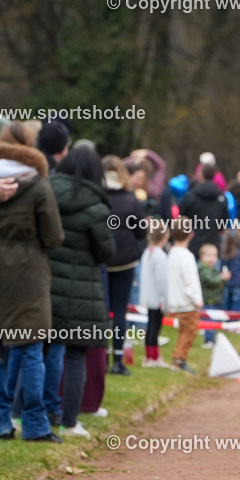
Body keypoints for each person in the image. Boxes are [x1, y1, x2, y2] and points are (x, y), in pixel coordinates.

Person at [0, 123, 64, 443]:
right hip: (30, 275)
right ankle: (35, 424)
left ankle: (0, 422)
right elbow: (53, 237)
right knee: (30, 350)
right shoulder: (38, 185)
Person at [46, 146, 116, 436]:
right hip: (82, 290)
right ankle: (69, 421)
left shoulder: (46, 195)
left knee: (39, 352)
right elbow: (107, 252)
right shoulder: (96, 208)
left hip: (46, 285)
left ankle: (28, 415)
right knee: (76, 357)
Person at [102, 156, 146, 376]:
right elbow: (141, 231)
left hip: (102, 260)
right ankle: (117, 359)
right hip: (125, 261)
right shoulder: (130, 200)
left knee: (102, 311)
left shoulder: (97, 198)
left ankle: (100, 357)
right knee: (120, 311)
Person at [166, 218, 202, 374]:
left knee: (183, 331)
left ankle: (178, 358)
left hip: (175, 300)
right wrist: (196, 299)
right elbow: (190, 281)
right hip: (187, 302)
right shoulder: (187, 256)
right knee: (189, 331)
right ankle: (179, 360)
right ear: (191, 234)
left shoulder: (171, 253)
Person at [139, 226, 170, 367]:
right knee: (155, 327)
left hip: (148, 295)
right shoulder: (160, 256)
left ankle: (150, 356)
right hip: (157, 298)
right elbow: (162, 280)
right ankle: (153, 357)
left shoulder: (147, 253)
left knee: (151, 325)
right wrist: (164, 298)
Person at [197, 243, 231, 348]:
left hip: (215, 300)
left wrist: (223, 279)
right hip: (209, 301)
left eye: (215, 255)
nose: (212, 258)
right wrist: (222, 278)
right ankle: (208, 341)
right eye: (209, 255)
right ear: (202, 256)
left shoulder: (212, 269)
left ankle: (211, 339)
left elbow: (217, 282)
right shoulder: (203, 269)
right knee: (209, 322)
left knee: (213, 322)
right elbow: (210, 281)